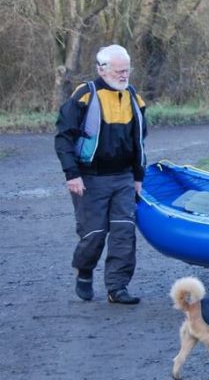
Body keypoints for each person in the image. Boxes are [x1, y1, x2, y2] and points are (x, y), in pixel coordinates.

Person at [55, 45, 147, 304]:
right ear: (101, 70)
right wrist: (71, 174)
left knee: (124, 234)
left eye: (126, 71)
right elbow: (63, 137)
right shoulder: (84, 95)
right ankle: (84, 270)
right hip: (89, 178)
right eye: (118, 71)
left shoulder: (134, 97)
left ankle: (117, 289)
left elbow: (140, 141)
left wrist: (138, 177)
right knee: (93, 235)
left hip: (124, 178)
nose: (123, 76)